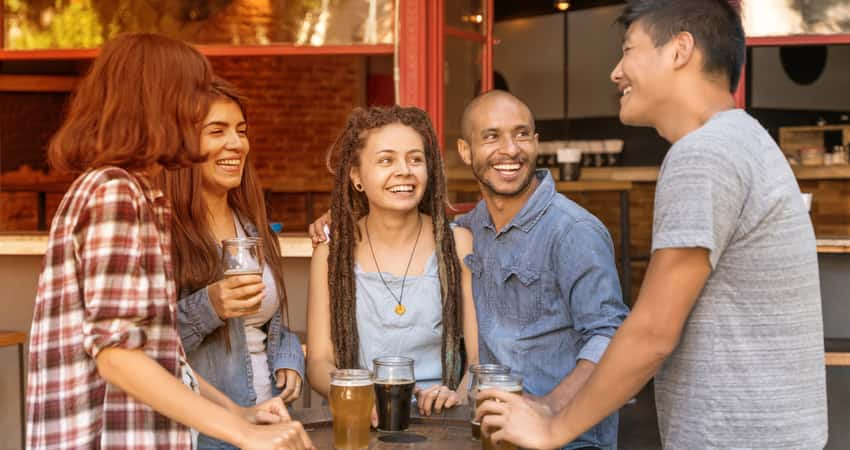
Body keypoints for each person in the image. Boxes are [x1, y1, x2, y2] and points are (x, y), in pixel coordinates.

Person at [475, 1, 829, 449]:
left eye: (628, 50)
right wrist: (553, 404)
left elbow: (653, 332)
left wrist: (552, 430)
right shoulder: (743, 138)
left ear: (680, 49)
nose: (616, 72)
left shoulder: (704, 154)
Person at [26, 33, 312, 450]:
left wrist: (239, 413)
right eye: (190, 95)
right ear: (158, 102)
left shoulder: (138, 196)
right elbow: (118, 355)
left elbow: (164, 358)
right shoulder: (113, 193)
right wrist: (243, 433)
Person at [454, 89, 628, 450]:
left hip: (571, 439)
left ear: (536, 143)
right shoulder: (473, 227)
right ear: (465, 151)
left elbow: (609, 338)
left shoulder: (573, 231)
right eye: (492, 136)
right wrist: (340, 221)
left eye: (521, 135)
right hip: (496, 435)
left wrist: (548, 407)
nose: (511, 149)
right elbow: (406, 226)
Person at [156, 79, 306, 449]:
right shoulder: (161, 231)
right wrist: (210, 306)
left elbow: (268, 320)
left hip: (266, 419)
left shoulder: (251, 225)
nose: (236, 144)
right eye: (217, 131)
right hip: (206, 433)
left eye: (241, 131)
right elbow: (148, 345)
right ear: (183, 145)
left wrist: (289, 358)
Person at [306, 105, 478, 419]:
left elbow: (478, 360)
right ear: (356, 175)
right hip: (362, 421)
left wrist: (457, 393)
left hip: (443, 423)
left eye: (415, 159)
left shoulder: (458, 245)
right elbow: (319, 361)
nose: (404, 170)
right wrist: (353, 396)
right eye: (386, 160)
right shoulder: (331, 254)